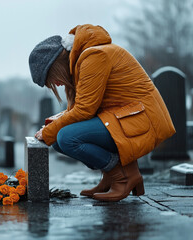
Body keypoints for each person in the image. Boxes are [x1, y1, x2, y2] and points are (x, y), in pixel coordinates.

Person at [28, 24, 175, 202]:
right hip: (125, 117)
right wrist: (51, 127)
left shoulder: (93, 56)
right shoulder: (83, 60)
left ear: (57, 65)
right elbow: (77, 109)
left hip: (143, 119)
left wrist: (49, 131)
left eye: (52, 78)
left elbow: (84, 110)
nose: (57, 85)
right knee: (58, 138)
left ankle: (122, 177)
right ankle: (111, 176)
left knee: (66, 138)